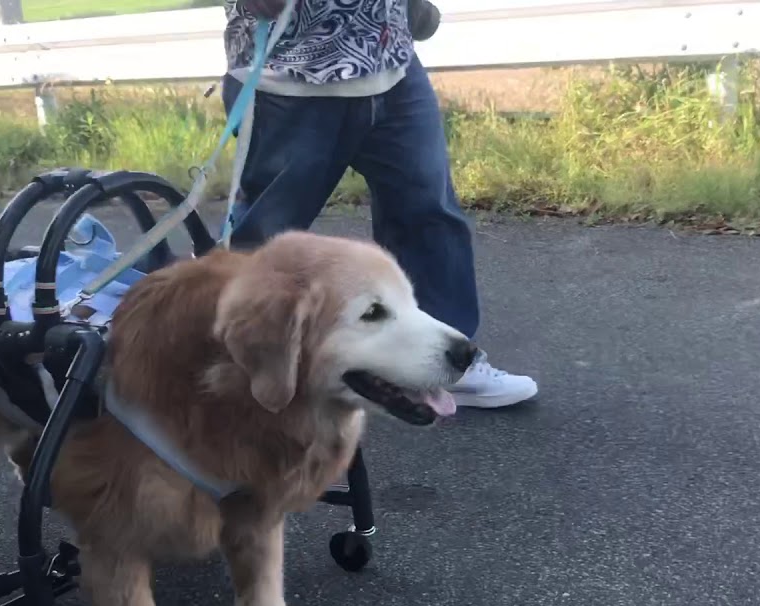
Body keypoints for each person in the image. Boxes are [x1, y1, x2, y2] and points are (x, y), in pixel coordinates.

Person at [219, 0, 538, 409]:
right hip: (290, 76)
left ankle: (448, 361)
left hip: (392, 61)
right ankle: (241, 372)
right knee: (265, 240)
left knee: (429, 214)